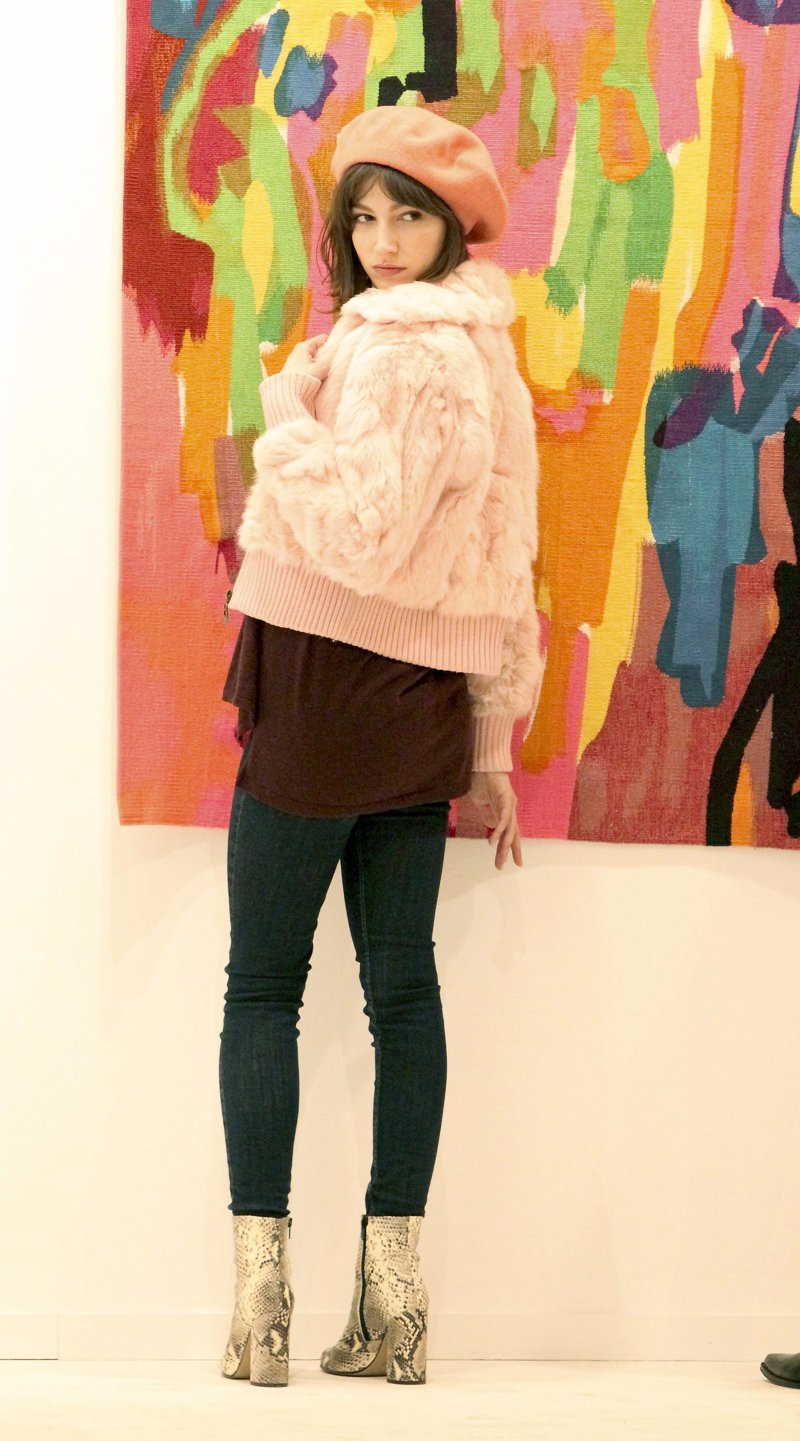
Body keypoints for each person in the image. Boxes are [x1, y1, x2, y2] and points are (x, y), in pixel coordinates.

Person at [217, 105, 545, 1388]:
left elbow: (363, 531)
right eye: (363, 215)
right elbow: (502, 558)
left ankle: (260, 1311)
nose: (382, 240)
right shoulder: (485, 352)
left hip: (323, 685)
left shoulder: (399, 346)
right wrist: (491, 741)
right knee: (399, 990)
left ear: (452, 228)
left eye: (407, 214)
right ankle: (392, 1310)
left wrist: (279, 417)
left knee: (264, 988)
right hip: (415, 704)